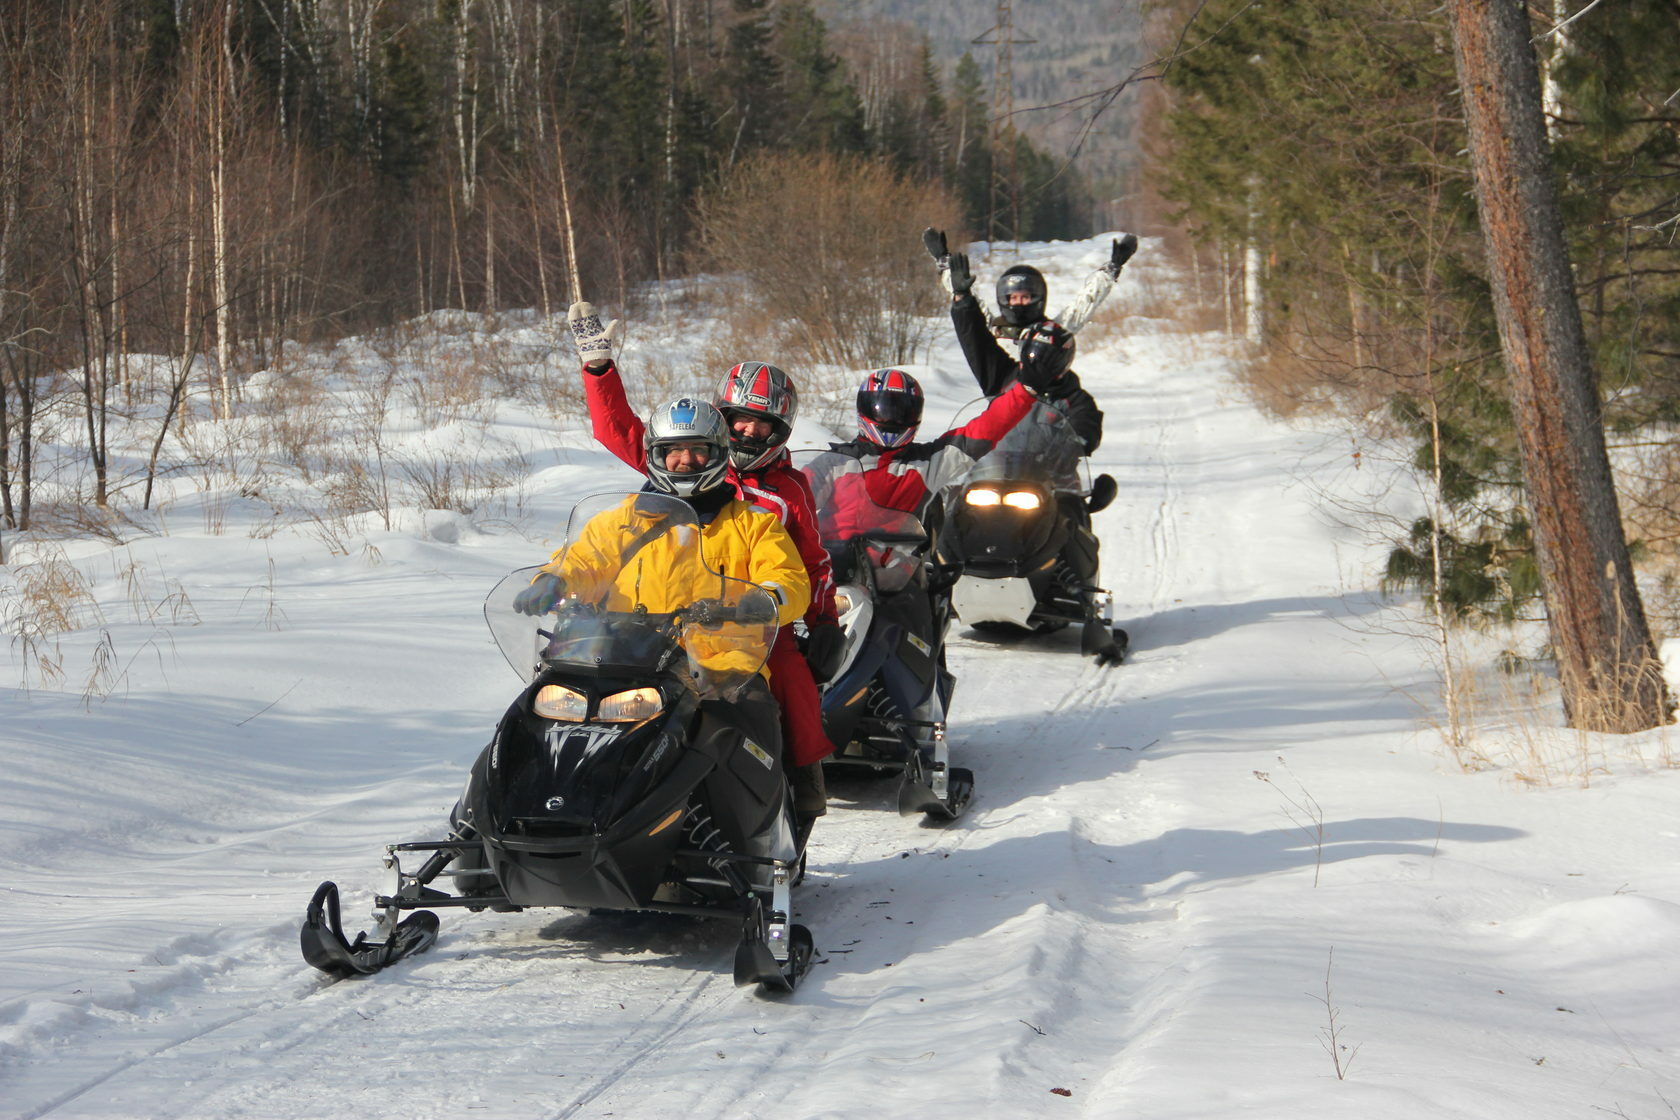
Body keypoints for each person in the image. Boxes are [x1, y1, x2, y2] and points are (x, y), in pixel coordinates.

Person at [563, 303, 838, 829]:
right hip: (657, 616)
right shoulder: (679, 454)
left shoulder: (786, 491)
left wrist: (822, 623)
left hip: (743, 621)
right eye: (740, 421)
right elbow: (618, 428)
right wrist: (600, 369)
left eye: (763, 426)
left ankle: (802, 782)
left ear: (780, 431)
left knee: (791, 679)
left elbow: (809, 561)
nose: (749, 434)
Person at [513, 398, 810, 809]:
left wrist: (760, 602)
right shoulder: (621, 521)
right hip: (621, 658)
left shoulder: (753, 523)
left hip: (718, 669)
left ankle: (761, 838)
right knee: (533, 715)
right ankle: (489, 819)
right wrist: (551, 581)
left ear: (718, 455)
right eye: (673, 451)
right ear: (656, 456)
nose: (685, 461)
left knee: (752, 721)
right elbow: (584, 561)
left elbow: (789, 579)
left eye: (697, 450)